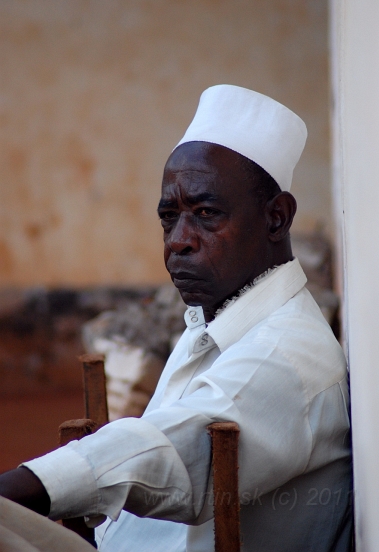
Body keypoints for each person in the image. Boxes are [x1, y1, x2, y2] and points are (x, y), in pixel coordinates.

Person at [0, 85, 352, 551]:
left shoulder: (288, 355)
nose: (178, 240)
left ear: (275, 218)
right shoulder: (212, 318)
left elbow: (171, 454)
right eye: (170, 217)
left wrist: (23, 485)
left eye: (207, 213)